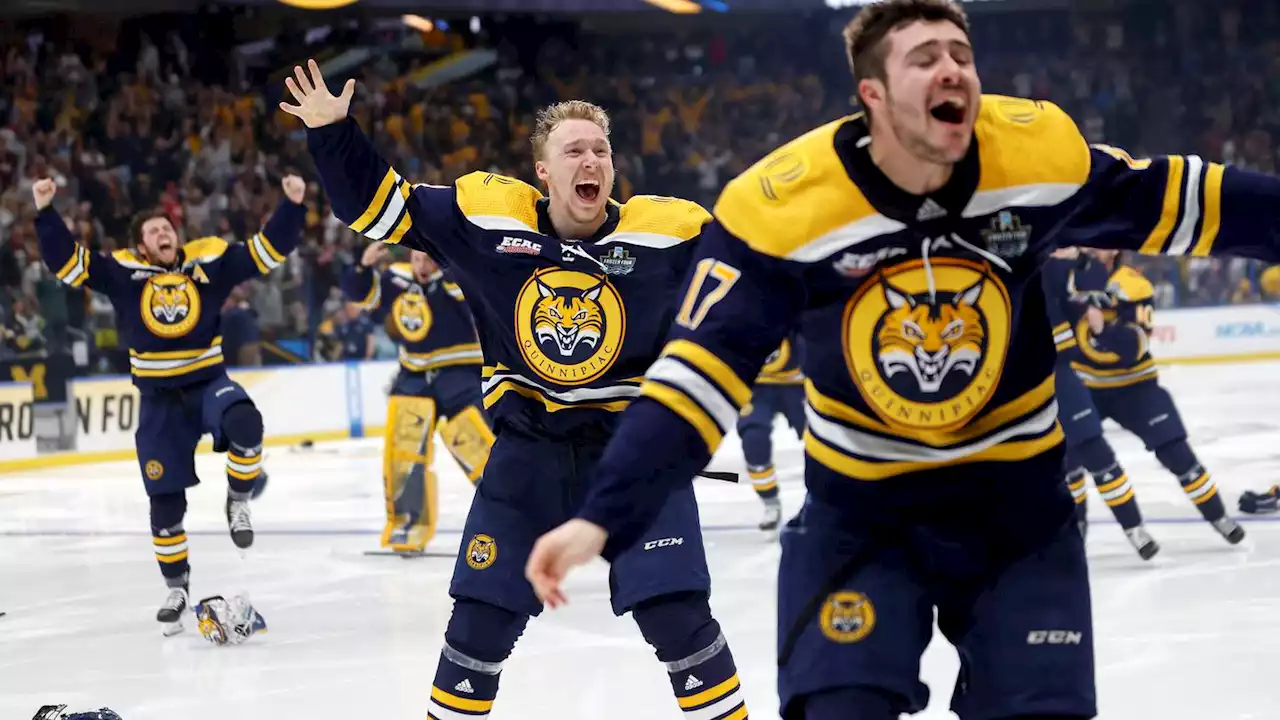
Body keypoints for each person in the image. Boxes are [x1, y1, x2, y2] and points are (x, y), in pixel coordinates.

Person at [523, 1, 1280, 718]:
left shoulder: (1037, 157)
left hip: (1019, 518)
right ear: (873, 96)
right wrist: (605, 516)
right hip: (862, 519)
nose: (952, 69)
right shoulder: (782, 206)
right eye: (925, 58)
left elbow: (1197, 202)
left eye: (962, 54)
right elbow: (697, 378)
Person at [283, 62, 750, 719]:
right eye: (575, 150)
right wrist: (333, 133)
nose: (592, 161)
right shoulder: (485, 218)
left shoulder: (668, 232)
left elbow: (760, 270)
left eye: (602, 150)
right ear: (544, 171)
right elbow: (376, 207)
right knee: (478, 625)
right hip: (528, 453)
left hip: (637, 454)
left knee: (678, 619)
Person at [32, 174, 306, 638]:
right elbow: (67, 262)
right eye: (153, 232)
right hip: (159, 401)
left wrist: (293, 205)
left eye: (167, 228)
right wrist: (44, 212)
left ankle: (238, 499)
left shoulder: (208, 263)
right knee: (164, 503)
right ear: (140, 247)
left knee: (246, 422)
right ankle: (177, 587)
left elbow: (268, 250)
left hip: (207, 383)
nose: (164, 234)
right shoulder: (123, 274)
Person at [1069, 248, 1245, 546]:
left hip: (1135, 386)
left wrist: (1102, 327)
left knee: (1176, 452)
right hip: (1083, 387)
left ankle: (1218, 517)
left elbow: (1134, 347)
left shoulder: (1135, 284)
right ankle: (1074, 532)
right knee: (1064, 457)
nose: (1091, 245)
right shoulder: (1067, 279)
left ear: (1114, 249)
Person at [341, 243, 493, 553]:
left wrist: (447, 273)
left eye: (428, 259)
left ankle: (515, 517)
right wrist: (363, 267)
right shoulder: (396, 278)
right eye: (416, 258)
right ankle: (407, 525)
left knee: (479, 446)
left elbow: (475, 304)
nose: (421, 266)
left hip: (460, 372)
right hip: (413, 375)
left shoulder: (461, 278)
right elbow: (360, 296)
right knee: (405, 450)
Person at [1041, 248, 1159, 558]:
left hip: (1058, 371)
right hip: (1019, 378)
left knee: (1094, 449)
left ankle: (1133, 526)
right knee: (1056, 464)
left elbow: (1079, 289)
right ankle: (1071, 534)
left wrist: (1076, 258)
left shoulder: (1062, 265)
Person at [737, 333, 805, 532]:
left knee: (822, 444)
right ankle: (770, 504)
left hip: (800, 383)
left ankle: (819, 502)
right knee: (753, 439)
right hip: (757, 386)